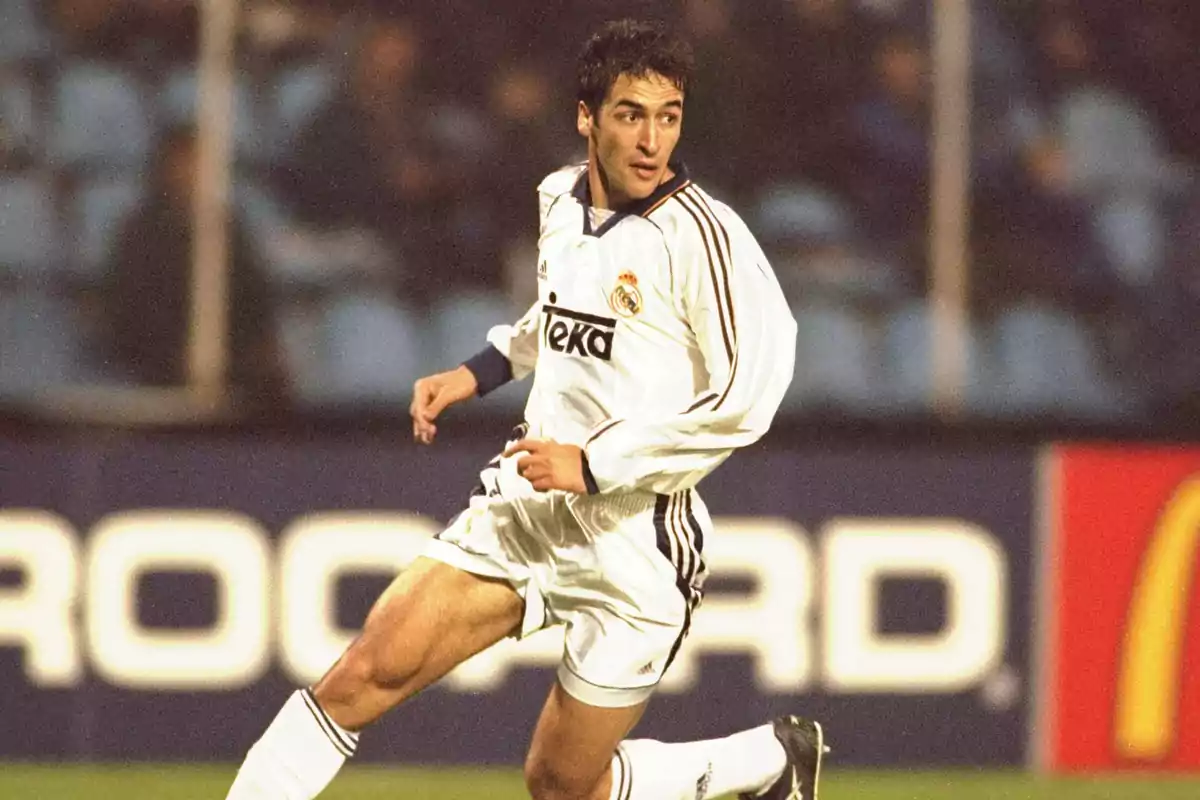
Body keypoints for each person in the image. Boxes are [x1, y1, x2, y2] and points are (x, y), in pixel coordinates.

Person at [225, 19, 824, 800]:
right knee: (362, 673)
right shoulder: (559, 197)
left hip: (635, 543)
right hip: (528, 507)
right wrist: (481, 370)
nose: (651, 139)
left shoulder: (705, 238)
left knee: (559, 784)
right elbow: (562, 318)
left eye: (668, 115)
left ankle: (767, 761)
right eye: (630, 114)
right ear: (586, 116)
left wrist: (596, 463)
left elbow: (749, 396)